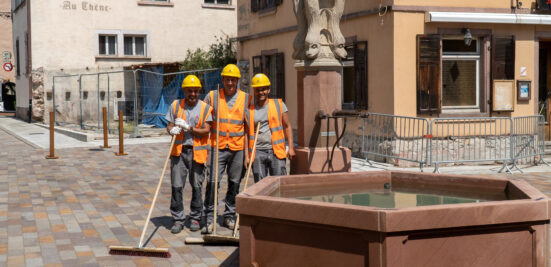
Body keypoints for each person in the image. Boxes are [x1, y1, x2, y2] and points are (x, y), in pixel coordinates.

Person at [202, 64, 252, 234]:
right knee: (213, 182)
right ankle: (209, 218)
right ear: (222, 79)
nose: (230, 82)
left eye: (233, 80)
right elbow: (201, 114)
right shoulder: (212, 96)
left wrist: (246, 155)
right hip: (218, 147)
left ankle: (229, 215)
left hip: (237, 148)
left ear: (238, 81)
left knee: (234, 183)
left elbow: (247, 129)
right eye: (227, 79)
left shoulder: (246, 98)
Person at [165, 75, 212, 234]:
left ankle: (195, 218)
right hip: (178, 152)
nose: (193, 94)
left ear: (199, 91)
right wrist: (172, 130)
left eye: (195, 91)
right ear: (184, 91)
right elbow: (169, 124)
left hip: (197, 153)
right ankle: (178, 219)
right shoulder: (176, 105)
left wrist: (189, 128)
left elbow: (207, 129)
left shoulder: (205, 108)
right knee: (177, 186)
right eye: (189, 91)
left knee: (197, 186)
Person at [245, 73, 295, 182]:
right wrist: (246, 156)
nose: (261, 92)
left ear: (268, 90)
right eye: (258, 90)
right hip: (257, 152)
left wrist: (290, 148)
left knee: (279, 183)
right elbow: (247, 134)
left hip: (276, 151)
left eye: (263, 89)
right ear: (254, 91)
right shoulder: (250, 110)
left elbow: (287, 126)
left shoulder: (279, 105)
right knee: (260, 185)